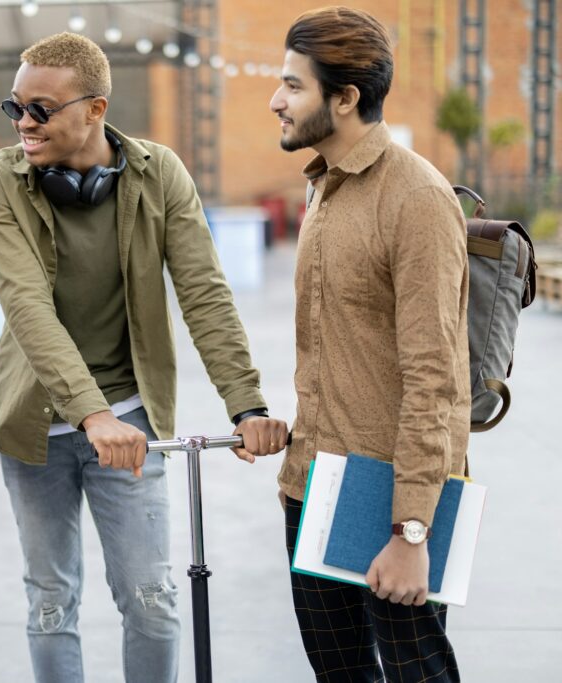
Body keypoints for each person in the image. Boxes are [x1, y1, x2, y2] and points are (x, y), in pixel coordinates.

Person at [0, 32, 288, 683]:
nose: (24, 124)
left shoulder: (158, 173)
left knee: (151, 600)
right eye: (15, 108)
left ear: (95, 108)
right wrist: (90, 414)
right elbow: (27, 305)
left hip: (130, 422)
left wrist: (247, 402)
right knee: (51, 600)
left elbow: (204, 291)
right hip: (35, 424)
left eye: (42, 109)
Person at [270, 7, 469, 682]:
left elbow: (434, 376)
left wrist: (411, 530)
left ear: (345, 98)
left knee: (418, 673)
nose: (277, 100)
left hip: (389, 496)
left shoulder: (416, 198)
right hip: (311, 485)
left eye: (293, 86)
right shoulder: (323, 187)